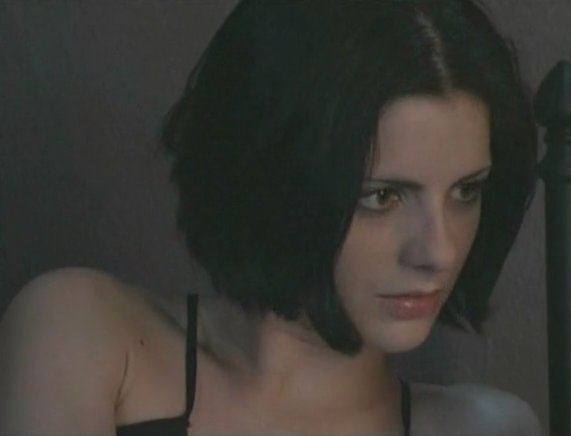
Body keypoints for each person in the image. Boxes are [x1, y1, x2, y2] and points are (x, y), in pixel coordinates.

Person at [0, 0, 541, 434]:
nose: (439, 251)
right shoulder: (83, 334)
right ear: (273, 179)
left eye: (466, 191)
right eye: (382, 197)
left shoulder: (483, 427)